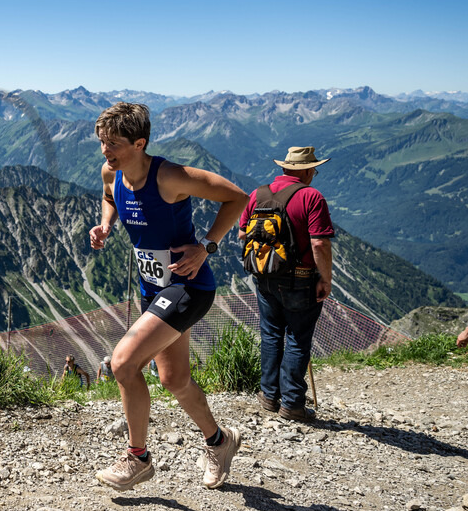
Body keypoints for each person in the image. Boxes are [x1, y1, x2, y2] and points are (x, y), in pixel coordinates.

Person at [89, 102, 248, 491]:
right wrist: (106, 224)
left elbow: (238, 198)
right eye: (102, 142)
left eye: (113, 144)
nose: (105, 151)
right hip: (152, 289)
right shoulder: (113, 171)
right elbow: (110, 195)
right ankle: (220, 442)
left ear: (140, 143)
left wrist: (206, 247)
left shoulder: (171, 177)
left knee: (123, 364)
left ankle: (137, 458)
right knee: (174, 378)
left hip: (187, 288)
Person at [239, 146, 334, 423]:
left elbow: (243, 233)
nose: (314, 173)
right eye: (314, 168)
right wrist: (325, 278)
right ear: (304, 171)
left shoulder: (258, 194)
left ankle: (269, 396)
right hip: (300, 279)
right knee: (297, 338)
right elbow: (319, 242)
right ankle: (292, 404)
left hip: (264, 277)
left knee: (270, 335)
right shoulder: (311, 196)